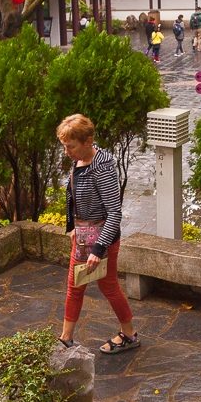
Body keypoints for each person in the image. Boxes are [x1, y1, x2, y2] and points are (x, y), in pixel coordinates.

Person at [57, 114, 139, 354]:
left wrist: (99, 248)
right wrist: (72, 226)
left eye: (70, 147)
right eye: (64, 146)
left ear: (88, 141)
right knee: (75, 285)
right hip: (84, 236)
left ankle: (129, 335)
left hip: (102, 240)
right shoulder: (80, 159)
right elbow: (73, 196)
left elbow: (114, 212)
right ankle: (65, 338)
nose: (66, 152)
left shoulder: (101, 168)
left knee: (109, 287)